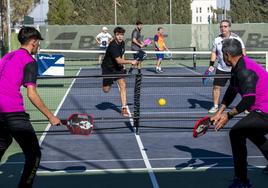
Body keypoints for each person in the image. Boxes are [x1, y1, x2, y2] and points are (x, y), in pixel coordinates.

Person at [0, 27, 61, 187]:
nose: (38, 46)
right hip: (12, 113)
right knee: (34, 155)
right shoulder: (29, 61)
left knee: (3, 142)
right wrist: (51, 116)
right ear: (33, 42)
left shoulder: (6, 57)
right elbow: (31, 94)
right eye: (38, 42)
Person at [211, 38, 268, 188]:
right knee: (252, 132)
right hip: (261, 109)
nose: (221, 57)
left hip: (265, 110)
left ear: (227, 54)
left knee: (237, 133)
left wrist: (228, 116)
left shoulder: (244, 70)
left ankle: (242, 181)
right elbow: (232, 90)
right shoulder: (237, 67)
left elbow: (248, 100)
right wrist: (220, 111)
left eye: (222, 54)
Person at [208, 20, 246, 114]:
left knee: (242, 88)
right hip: (221, 68)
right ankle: (216, 106)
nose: (223, 28)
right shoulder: (217, 39)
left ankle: (247, 106)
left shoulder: (236, 39)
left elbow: (243, 53)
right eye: (221, 26)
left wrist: (243, 66)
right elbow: (214, 52)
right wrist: (211, 65)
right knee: (216, 87)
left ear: (229, 27)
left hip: (235, 69)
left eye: (225, 26)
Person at [101, 27, 137, 117]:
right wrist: (131, 62)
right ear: (115, 35)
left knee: (123, 85)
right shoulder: (113, 45)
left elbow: (122, 56)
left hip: (117, 68)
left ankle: (124, 109)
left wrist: (123, 66)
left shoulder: (122, 43)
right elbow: (119, 60)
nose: (120, 37)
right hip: (108, 68)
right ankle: (110, 82)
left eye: (122, 35)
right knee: (106, 90)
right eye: (118, 35)